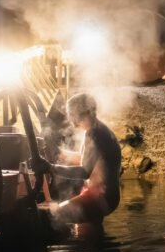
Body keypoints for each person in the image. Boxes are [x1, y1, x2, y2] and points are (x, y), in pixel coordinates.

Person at [36, 93, 122, 224]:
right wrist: (60, 153)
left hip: (100, 198)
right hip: (100, 195)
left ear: (79, 113)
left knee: (53, 216)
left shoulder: (95, 134)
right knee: (87, 236)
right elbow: (85, 159)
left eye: (70, 114)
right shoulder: (96, 130)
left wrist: (51, 168)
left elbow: (84, 172)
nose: (69, 118)